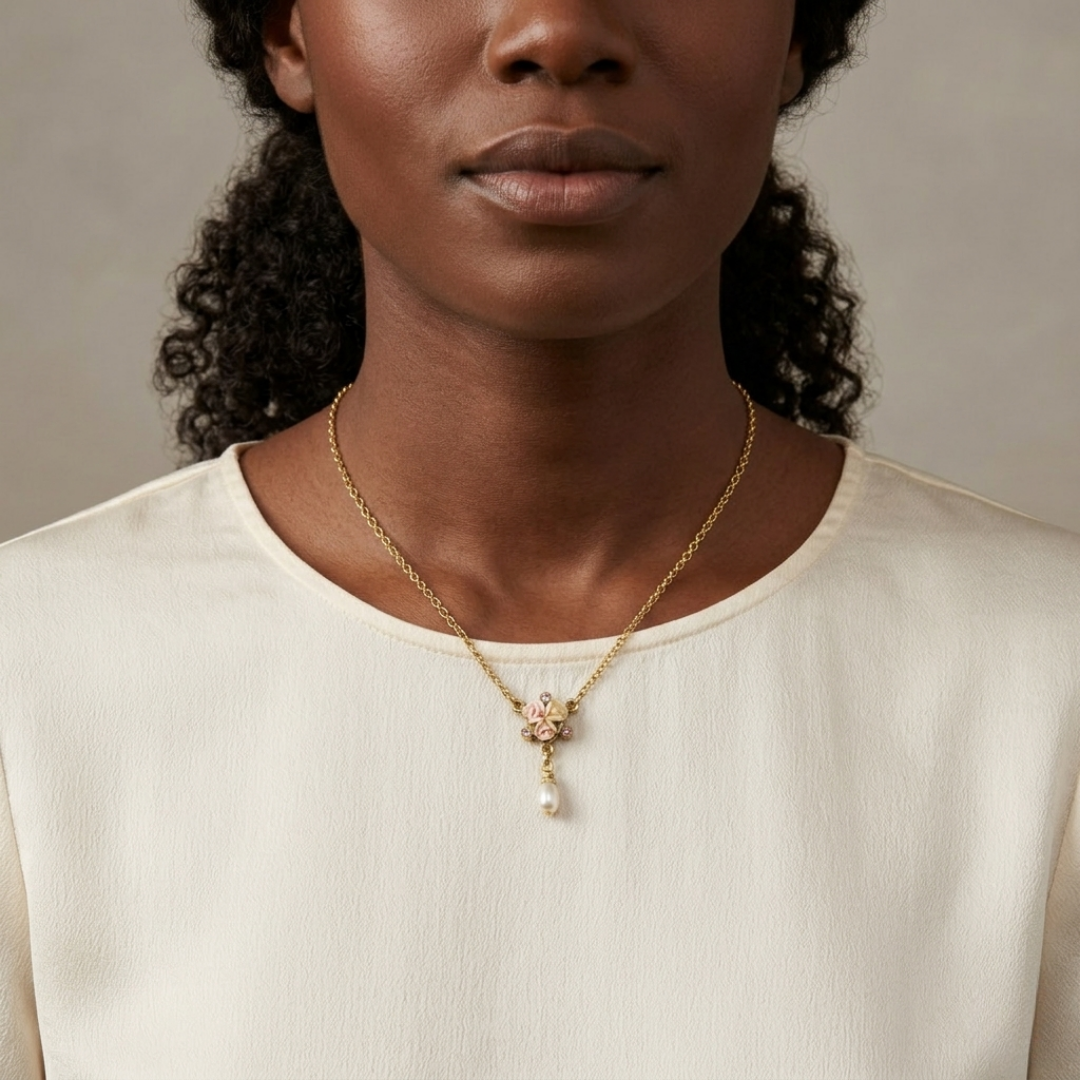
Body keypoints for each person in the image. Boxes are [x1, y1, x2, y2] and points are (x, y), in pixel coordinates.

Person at [0, 0, 1076, 1075]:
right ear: (289, 33)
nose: (557, 30)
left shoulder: (1046, 673)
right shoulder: (32, 673)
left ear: (792, 30)